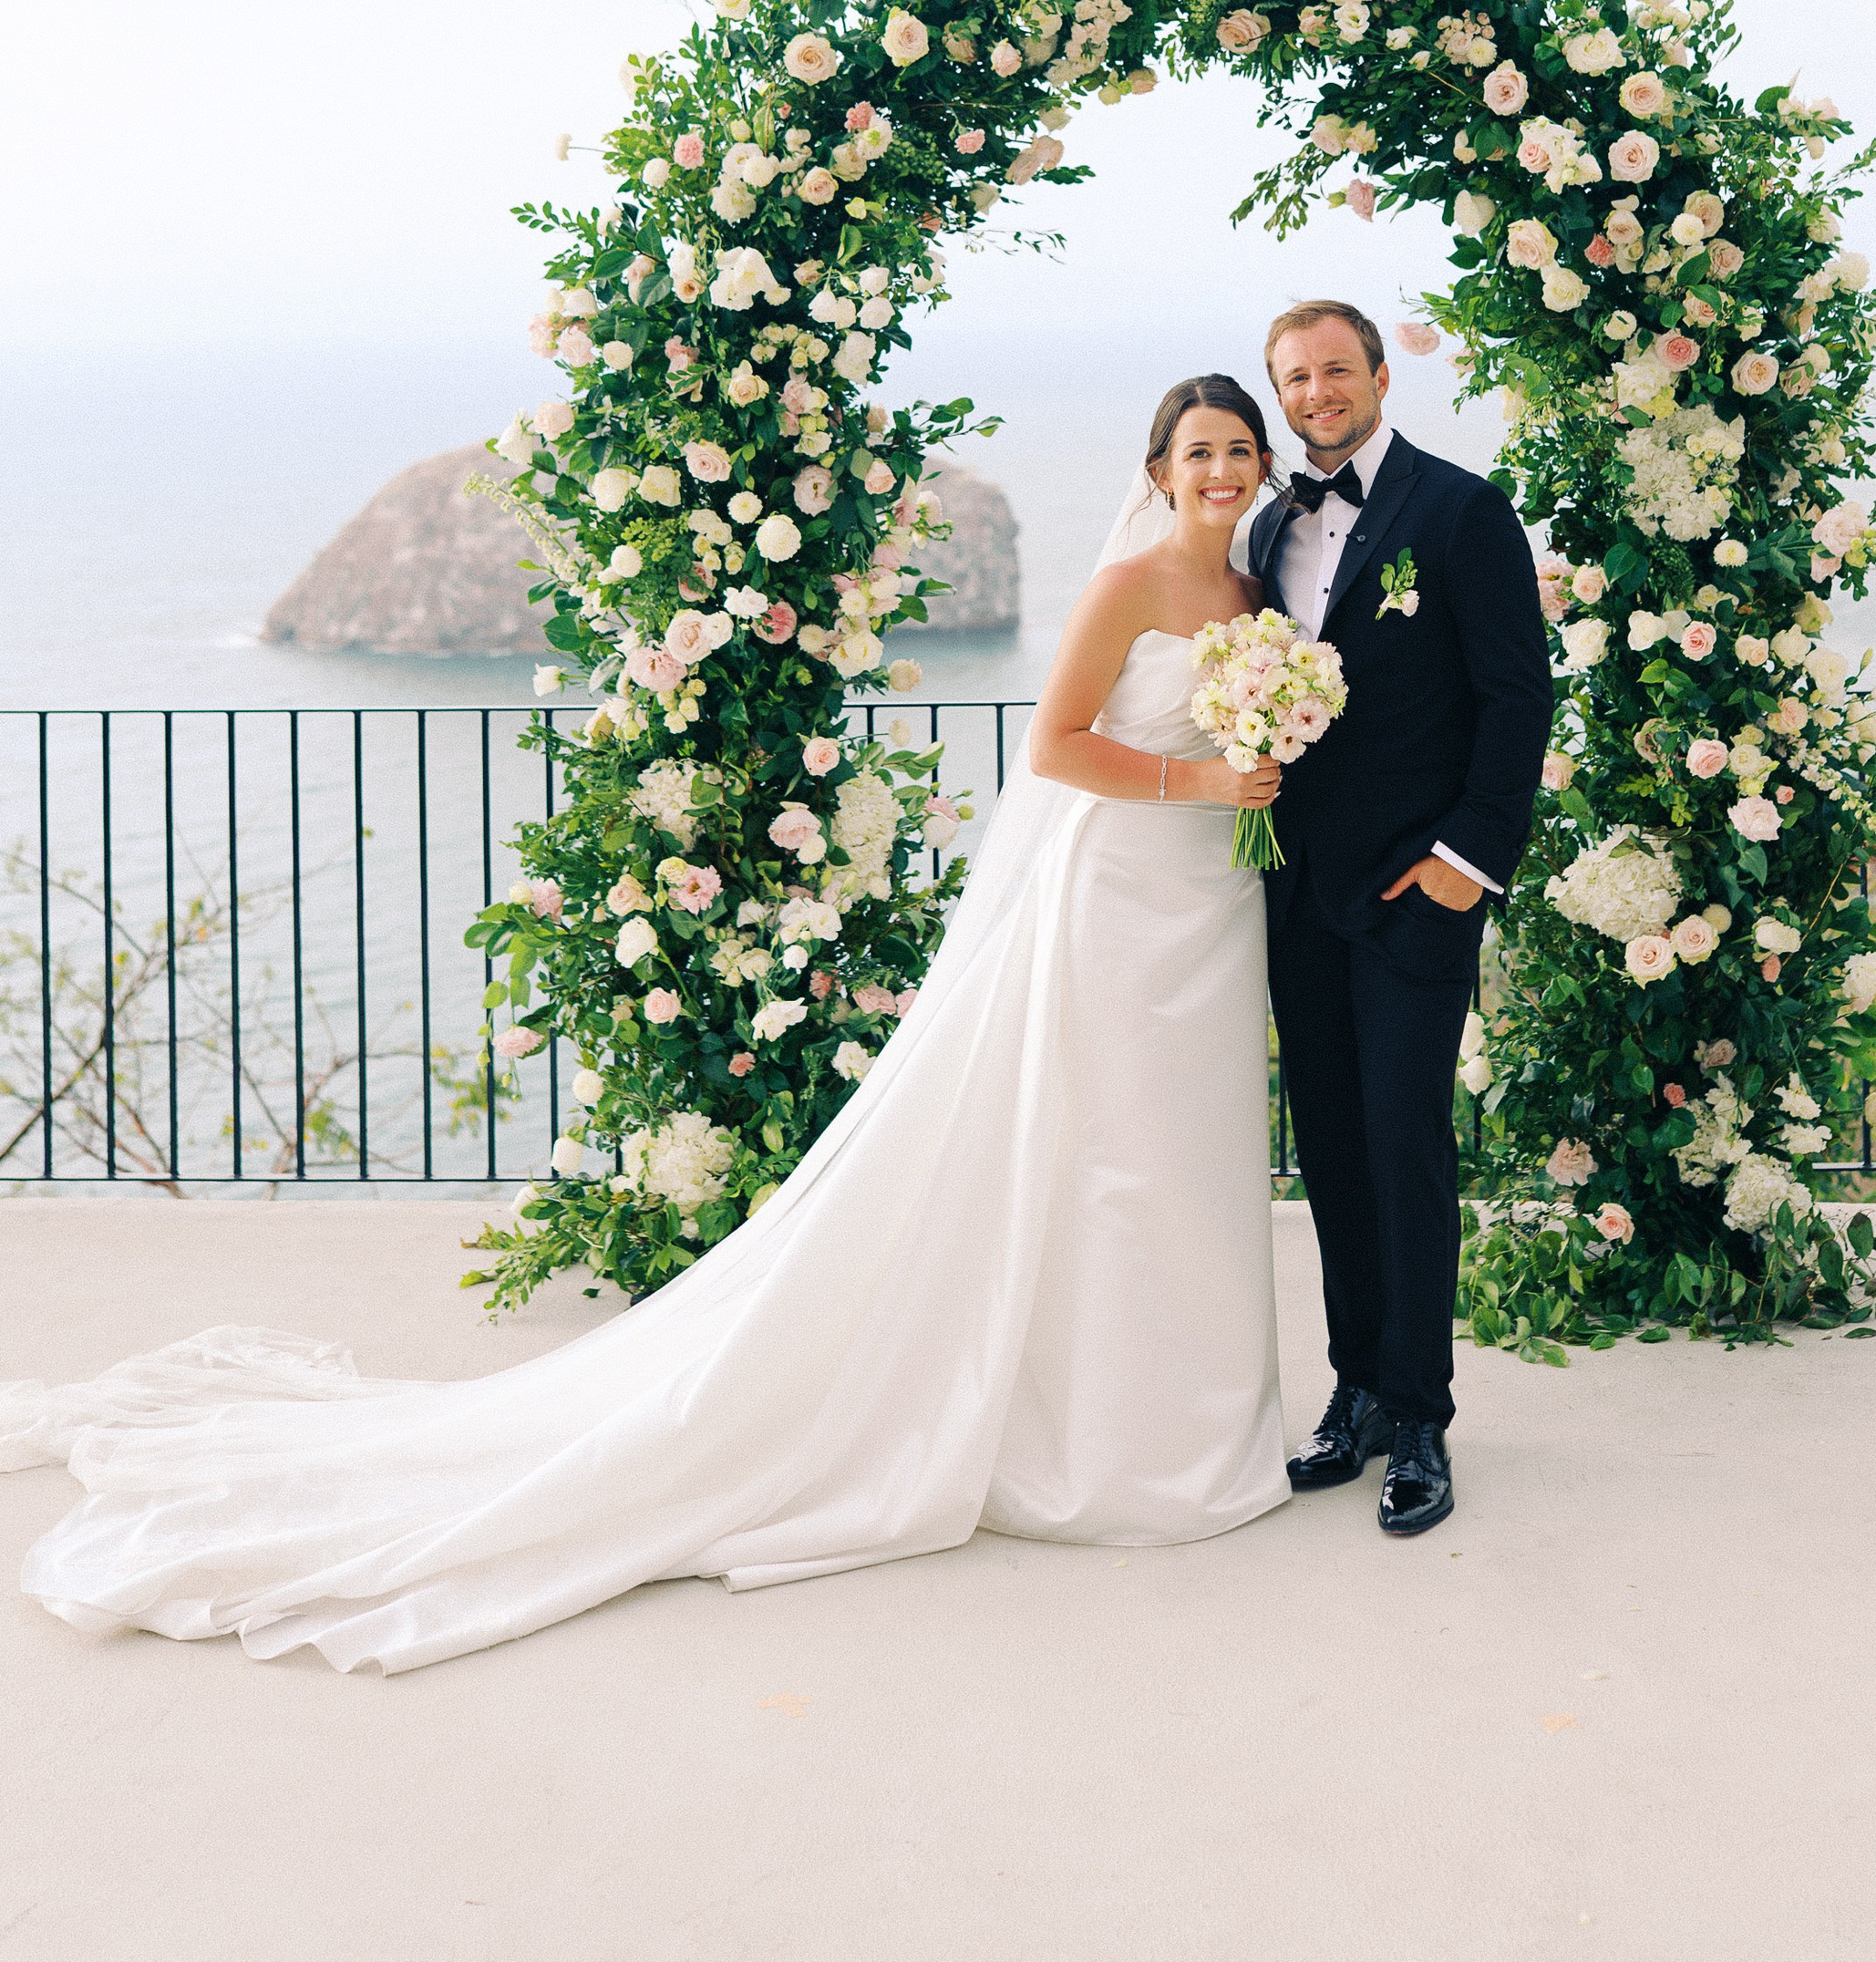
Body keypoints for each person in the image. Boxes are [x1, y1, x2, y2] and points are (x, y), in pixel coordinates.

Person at [0, 377, 1292, 1674]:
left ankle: (1174, 1430)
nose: (1223, 470)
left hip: (1210, 905)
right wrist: (1202, 775)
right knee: (1103, 1158)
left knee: (1179, 1160)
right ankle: (1093, 1447)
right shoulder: (1127, 586)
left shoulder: (1254, 598)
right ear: (1161, 468)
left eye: (1241, 450)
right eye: (1201, 451)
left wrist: (1262, 765)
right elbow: (1054, 746)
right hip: (1114, 895)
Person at [1248, 301, 1552, 1539]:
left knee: (1404, 1144)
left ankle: (1422, 1415)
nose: (1317, 392)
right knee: (1329, 1144)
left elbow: (1516, 696)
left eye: (1335, 369)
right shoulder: (1267, 526)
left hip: (1418, 892)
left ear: (1378, 374)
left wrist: (1464, 863)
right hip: (1298, 889)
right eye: (1295, 377)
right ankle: (1358, 1387)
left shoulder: (1461, 512)